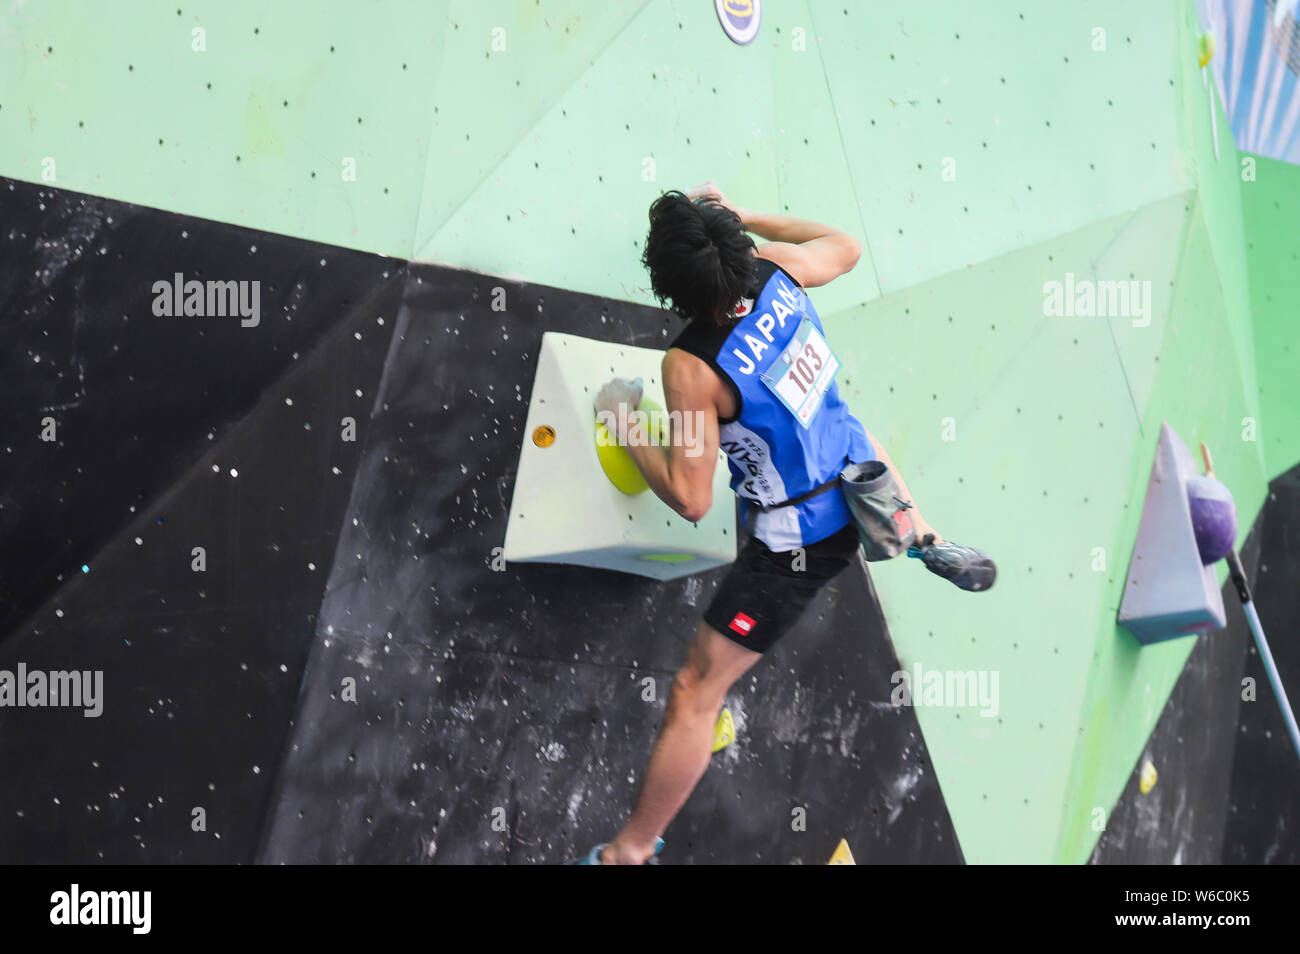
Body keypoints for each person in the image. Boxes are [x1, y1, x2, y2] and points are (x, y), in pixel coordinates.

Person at [580, 183, 992, 865]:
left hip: (797, 544)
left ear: (672, 288)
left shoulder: (689, 366)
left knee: (694, 689)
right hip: (855, 466)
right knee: (838, 429)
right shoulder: (780, 274)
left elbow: (690, 497)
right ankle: (917, 532)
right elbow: (846, 246)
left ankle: (628, 852)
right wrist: (742, 218)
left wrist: (623, 421)